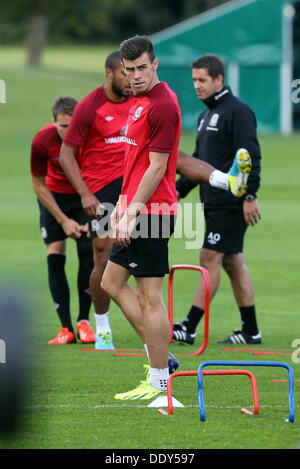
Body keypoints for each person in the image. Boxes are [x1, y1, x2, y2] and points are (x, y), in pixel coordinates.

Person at [101, 36, 252, 401]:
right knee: (111, 283)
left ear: (155, 65)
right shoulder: (139, 102)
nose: (136, 75)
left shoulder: (163, 105)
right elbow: (134, 163)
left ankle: (162, 384)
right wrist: (121, 206)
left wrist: (132, 212)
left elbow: (157, 169)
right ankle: (161, 360)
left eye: (142, 68)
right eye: (129, 70)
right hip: (136, 207)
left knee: (149, 297)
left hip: (152, 212)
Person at [173, 54, 262, 346]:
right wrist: (179, 189)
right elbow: (199, 160)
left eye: (202, 80)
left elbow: (251, 155)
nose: (197, 86)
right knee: (233, 261)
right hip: (210, 199)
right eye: (194, 80)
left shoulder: (238, 111)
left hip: (231, 202)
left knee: (209, 257)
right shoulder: (204, 115)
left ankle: (188, 327)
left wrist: (249, 195)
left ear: (219, 80)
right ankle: (251, 331)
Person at [59, 51, 133, 350]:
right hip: (101, 191)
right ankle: (102, 328)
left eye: (133, 72)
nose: (130, 79)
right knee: (102, 256)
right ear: (109, 73)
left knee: (140, 256)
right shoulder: (90, 107)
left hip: (132, 188)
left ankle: (148, 321)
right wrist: (85, 193)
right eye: (124, 73)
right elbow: (66, 154)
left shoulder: (139, 102)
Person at [31, 96, 95, 345]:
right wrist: (63, 220)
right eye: (62, 127)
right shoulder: (42, 140)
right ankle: (65, 328)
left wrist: (98, 213)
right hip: (54, 197)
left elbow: (104, 173)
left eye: (72, 126)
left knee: (88, 247)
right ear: (53, 123)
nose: (68, 132)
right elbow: (38, 184)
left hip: (86, 196)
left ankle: (84, 322)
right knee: (55, 250)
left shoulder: (91, 137)